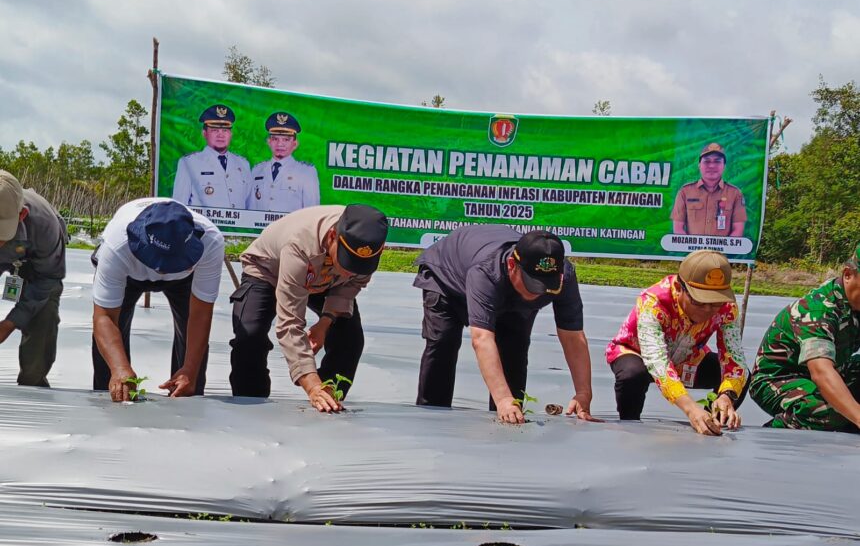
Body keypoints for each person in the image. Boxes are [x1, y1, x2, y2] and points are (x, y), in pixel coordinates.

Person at [413, 226, 594, 425]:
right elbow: (482, 339)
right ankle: (431, 417)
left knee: (514, 350)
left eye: (547, 285)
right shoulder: (486, 272)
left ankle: (511, 419)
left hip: (507, 296)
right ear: (511, 264)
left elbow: (573, 337)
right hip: (448, 281)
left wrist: (583, 392)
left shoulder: (565, 277)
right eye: (532, 283)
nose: (539, 292)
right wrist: (503, 399)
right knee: (443, 343)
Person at [229, 204, 388, 412]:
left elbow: (351, 285)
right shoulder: (300, 245)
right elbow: (290, 323)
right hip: (269, 271)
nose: (351, 272)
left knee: (350, 338)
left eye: (359, 266)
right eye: (347, 261)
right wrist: (311, 385)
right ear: (332, 236)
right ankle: (250, 404)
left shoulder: (366, 244)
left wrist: (325, 322)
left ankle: (329, 398)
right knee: (250, 336)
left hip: (328, 280)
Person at [91, 199, 225, 402]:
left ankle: (186, 396)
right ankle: (112, 393)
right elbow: (104, 317)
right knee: (112, 355)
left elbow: (200, 315)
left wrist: (189, 369)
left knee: (192, 366)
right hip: (129, 275)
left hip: (183, 281)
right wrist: (120, 368)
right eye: (157, 262)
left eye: (171, 263)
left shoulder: (211, 242)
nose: (161, 270)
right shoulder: (117, 244)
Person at [605, 250, 747, 436]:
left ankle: (714, 422)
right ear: (680, 288)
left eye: (715, 303)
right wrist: (691, 409)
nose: (707, 310)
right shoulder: (653, 302)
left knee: (739, 379)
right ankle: (630, 426)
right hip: (638, 354)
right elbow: (657, 362)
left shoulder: (728, 308)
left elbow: (735, 360)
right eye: (699, 301)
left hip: (687, 358)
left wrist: (726, 395)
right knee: (633, 375)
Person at [750, 243, 860, 432]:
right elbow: (821, 373)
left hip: (833, 371)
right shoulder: (818, 310)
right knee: (826, 411)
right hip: (779, 380)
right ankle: (777, 430)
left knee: (843, 409)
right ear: (848, 274)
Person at [0, 170, 67, 387]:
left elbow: (47, 279)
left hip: (39, 269)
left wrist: (10, 323)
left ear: (21, 215)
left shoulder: (44, 225)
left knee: (43, 315)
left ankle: (32, 383)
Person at [172, 104, 251, 209]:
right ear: (204, 133)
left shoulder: (243, 164)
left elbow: (250, 206)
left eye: (225, 130)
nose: (220, 135)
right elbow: (178, 207)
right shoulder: (189, 163)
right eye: (215, 130)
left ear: (231, 134)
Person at [247, 112, 320, 213]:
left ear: (295, 144)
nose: (280, 144)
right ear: (269, 142)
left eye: (286, 139)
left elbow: (312, 212)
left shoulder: (306, 172)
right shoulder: (257, 170)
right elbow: (250, 208)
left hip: (291, 228)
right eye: (275, 139)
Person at [671, 143, 747, 237]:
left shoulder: (735, 193)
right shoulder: (685, 192)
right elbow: (678, 228)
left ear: (724, 166)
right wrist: (694, 250)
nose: (711, 166)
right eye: (707, 161)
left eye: (717, 161)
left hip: (723, 251)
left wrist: (722, 250)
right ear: (699, 165)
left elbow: (738, 230)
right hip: (692, 251)